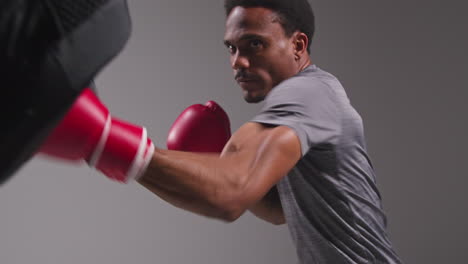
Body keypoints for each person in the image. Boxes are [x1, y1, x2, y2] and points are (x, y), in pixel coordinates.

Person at [31, 0, 403, 263]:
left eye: (254, 44)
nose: (238, 62)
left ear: (298, 45)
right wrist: (217, 157)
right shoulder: (317, 99)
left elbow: (230, 195)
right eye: (232, 48)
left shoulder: (305, 95)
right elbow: (277, 210)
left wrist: (103, 140)